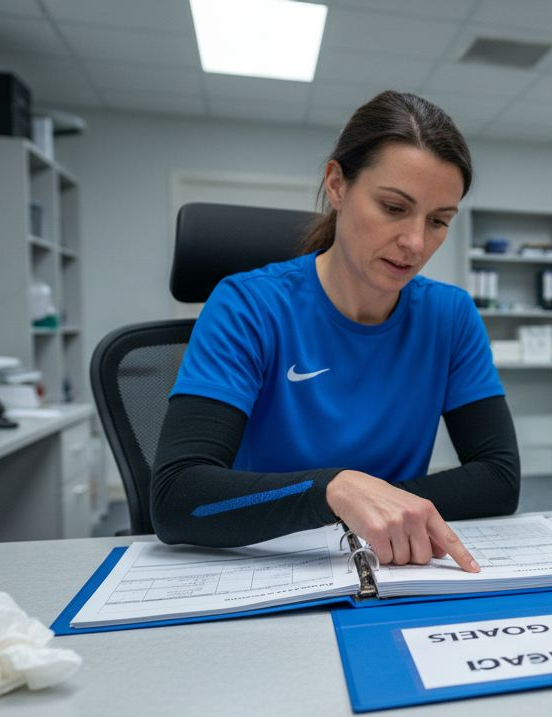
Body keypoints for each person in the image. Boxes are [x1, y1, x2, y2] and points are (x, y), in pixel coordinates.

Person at [152, 91, 519, 571]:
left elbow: (499, 479)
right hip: (265, 562)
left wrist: (374, 506)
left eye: (437, 221)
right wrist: (333, 491)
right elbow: (178, 497)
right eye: (392, 207)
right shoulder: (247, 306)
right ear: (337, 185)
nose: (414, 242)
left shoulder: (450, 316)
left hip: (391, 564)